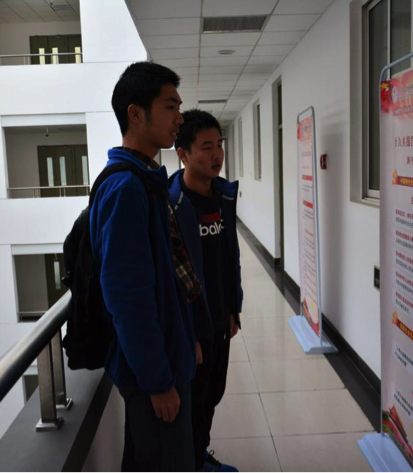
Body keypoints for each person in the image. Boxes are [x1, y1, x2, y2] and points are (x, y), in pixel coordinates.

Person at [91, 62, 201, 472]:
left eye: (179, 107)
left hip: (166, 360)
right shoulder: (127, 189)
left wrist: (185, 339)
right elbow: (128, 298)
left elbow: (167, 278)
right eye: (170, 106)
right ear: (136, 114)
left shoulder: (146, 180)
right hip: (154, 377)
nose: (179, 118)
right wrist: (158, 382)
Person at [169, 109, 244, 473]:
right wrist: (187, 332)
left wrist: (233, 309)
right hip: (191, 326)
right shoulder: (173, 204)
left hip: (220, 317)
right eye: (206, 147)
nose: (217, 155)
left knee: (212, 394)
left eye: (219, 145)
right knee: (193, 401)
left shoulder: (222, 196)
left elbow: (230, 258)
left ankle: (199, 456)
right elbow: (172, 277)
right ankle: (190, 462)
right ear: (183, 154)